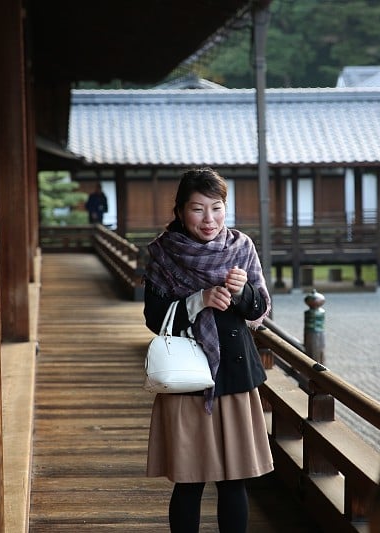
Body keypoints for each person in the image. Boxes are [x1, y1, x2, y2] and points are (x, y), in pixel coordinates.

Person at [143, 167, 274, 532]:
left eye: (216, 208)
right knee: (189, 482)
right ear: (181, 211)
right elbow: (154, 319)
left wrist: (243, 291)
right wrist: (198, 300)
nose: (209, 219)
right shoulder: (164, 254)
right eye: (198, 209)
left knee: (234, 481)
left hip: (233, 377)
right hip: (187, 379)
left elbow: (259, 311)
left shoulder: (241, 247)